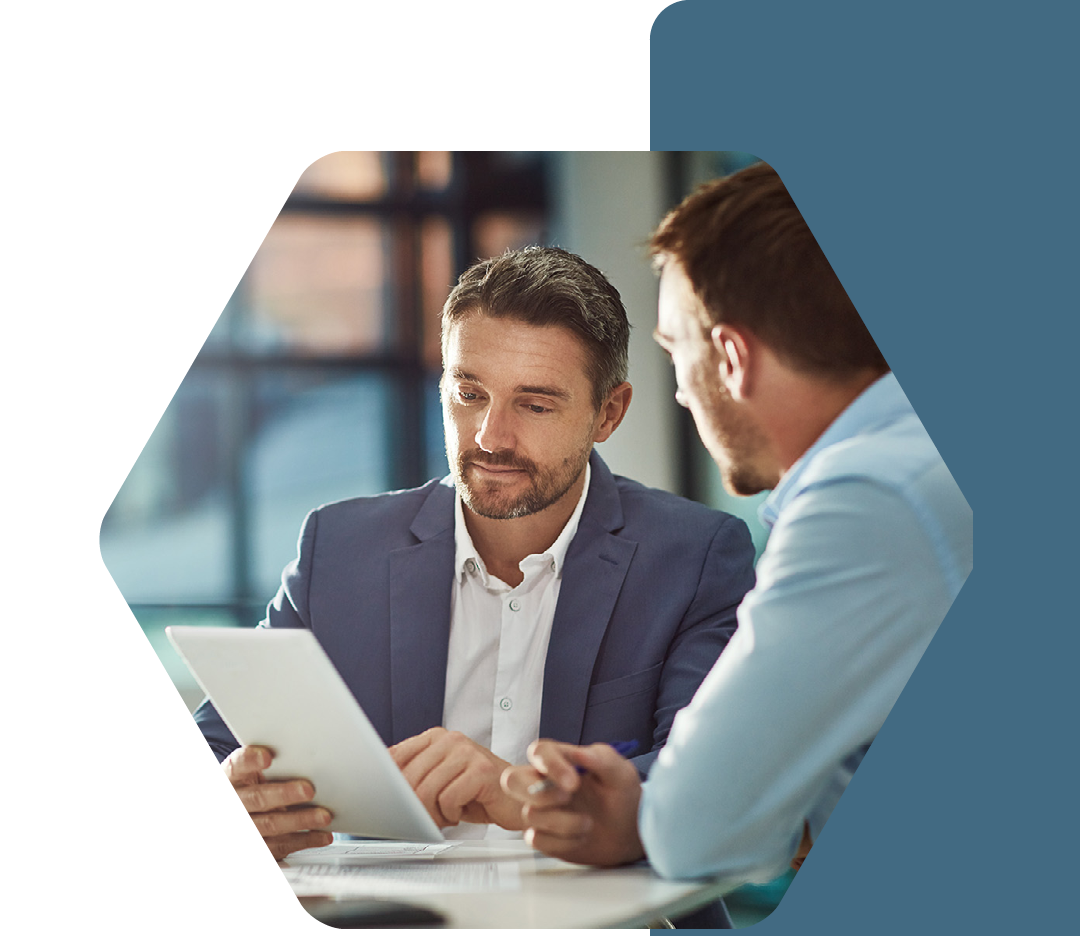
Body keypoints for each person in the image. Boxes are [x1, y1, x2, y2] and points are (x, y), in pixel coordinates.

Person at [194, 246, 756, 858]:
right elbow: (220, 745)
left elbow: (711, 780)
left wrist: (519, 794)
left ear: (608, 413)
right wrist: (232, 803)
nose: (491, 437)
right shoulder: (339, 548)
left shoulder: (696, 557)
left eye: (535, 405)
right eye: (469, 393)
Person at [501, 164, 973, 885]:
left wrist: (639, 810)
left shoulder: (869, 498)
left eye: (674, 352)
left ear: (730, 356)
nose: (683, 395)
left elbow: (699, 827)